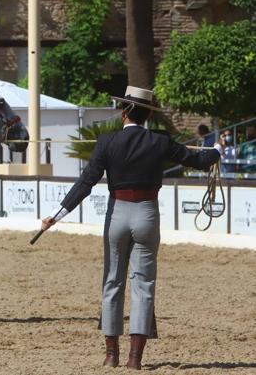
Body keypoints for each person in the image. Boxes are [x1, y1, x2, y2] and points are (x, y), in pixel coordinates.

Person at [38, 86, 221, 370]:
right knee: (144, 285)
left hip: (117, 215)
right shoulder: (160, 141)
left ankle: (111, 355)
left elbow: (85, 183)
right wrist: (217, 151)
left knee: (112, 282)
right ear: (147, 116)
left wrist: (56, 214)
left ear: (124, 113)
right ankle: (135, 359)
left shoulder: (107, 142)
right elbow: (197, 160)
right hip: (147, 213)